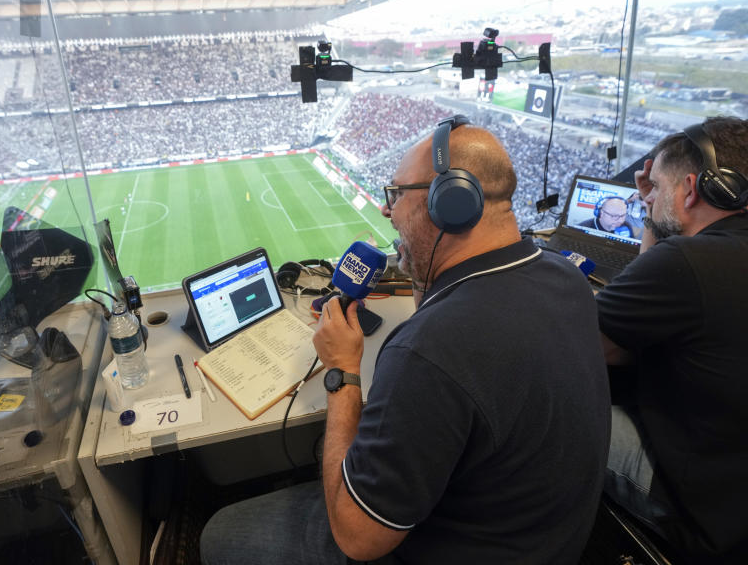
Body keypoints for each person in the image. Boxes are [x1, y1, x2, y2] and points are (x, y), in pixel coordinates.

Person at [200, 119, 610, 564]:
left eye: (395, 195)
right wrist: (425, 268)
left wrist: (342, 371)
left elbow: (358, 541)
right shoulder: (566, 277)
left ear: (449, 203)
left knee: (219, 532)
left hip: (442, 545)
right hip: (546, 539)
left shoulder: (429, 352)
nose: (385, 210)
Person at [596, 116, 748, 563]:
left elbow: (583, 345)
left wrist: (653, 219)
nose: (648, 197)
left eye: (654, 188)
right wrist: (659, 202)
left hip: (710, 515)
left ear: (692, 190)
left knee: (538, 412)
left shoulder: (687, 261)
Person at [578, 195, 642, 238]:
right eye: (614, 216)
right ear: (601, 213)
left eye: (623, 215)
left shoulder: (626, 226)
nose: (620, 220)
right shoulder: (582, 228)